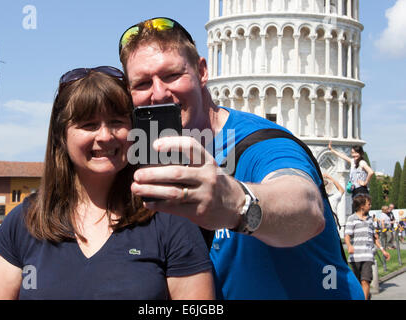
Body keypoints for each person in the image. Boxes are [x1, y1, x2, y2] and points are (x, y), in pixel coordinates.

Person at [119, 17, 364, 299]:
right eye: (142, 84)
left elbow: (306, 206)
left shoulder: (260, 143)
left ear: (201, 71)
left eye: (172, 75)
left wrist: (238, 203)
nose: (159, 93)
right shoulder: (146, 160)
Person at [0, 66, 214, 300]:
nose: (105, 136)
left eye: (116, 122)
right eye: (89, 125)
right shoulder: (24, 222)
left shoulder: (170, 219)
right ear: (61, 136)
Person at [344, 194, 390, 300]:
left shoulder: (370, 220)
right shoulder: (352, 219)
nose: (370, 205)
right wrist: (350, 246)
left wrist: (383, 250)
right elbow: (347, 236)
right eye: (368, 204)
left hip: (368, 256)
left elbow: (375, 238)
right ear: (362, 206)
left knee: (365, 280)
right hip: (355, 257)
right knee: (356, 283)